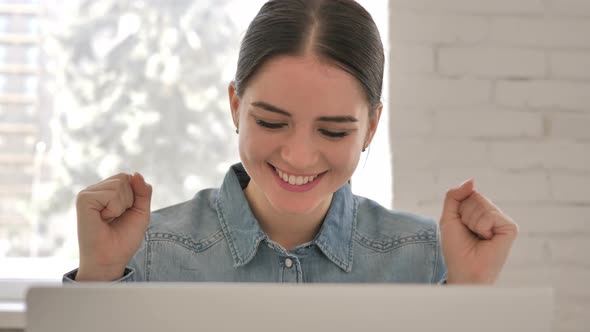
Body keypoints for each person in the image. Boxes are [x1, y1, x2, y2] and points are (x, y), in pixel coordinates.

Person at [65, 0, 518, 284]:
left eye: (334, 131)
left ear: (372, 127)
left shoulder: (426, 257)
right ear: (236, 107)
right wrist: (100, 280)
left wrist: (470, 298)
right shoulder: (145, 251)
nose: (299, 155)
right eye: (272, 122)